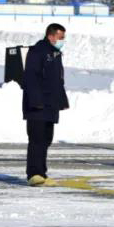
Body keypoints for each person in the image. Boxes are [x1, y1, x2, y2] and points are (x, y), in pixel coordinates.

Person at [21, 23, 70, 186]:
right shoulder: (38, 52)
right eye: (60, 37)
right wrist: (36, 101)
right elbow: (30, 78)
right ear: (51, 36)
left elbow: (58, 81)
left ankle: (42, 172)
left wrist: (61, 101)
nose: (63, 40)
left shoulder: (55, 54)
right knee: (36, 139)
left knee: (46, 140)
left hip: (50, 105)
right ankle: (33, 173)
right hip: (38, 106)